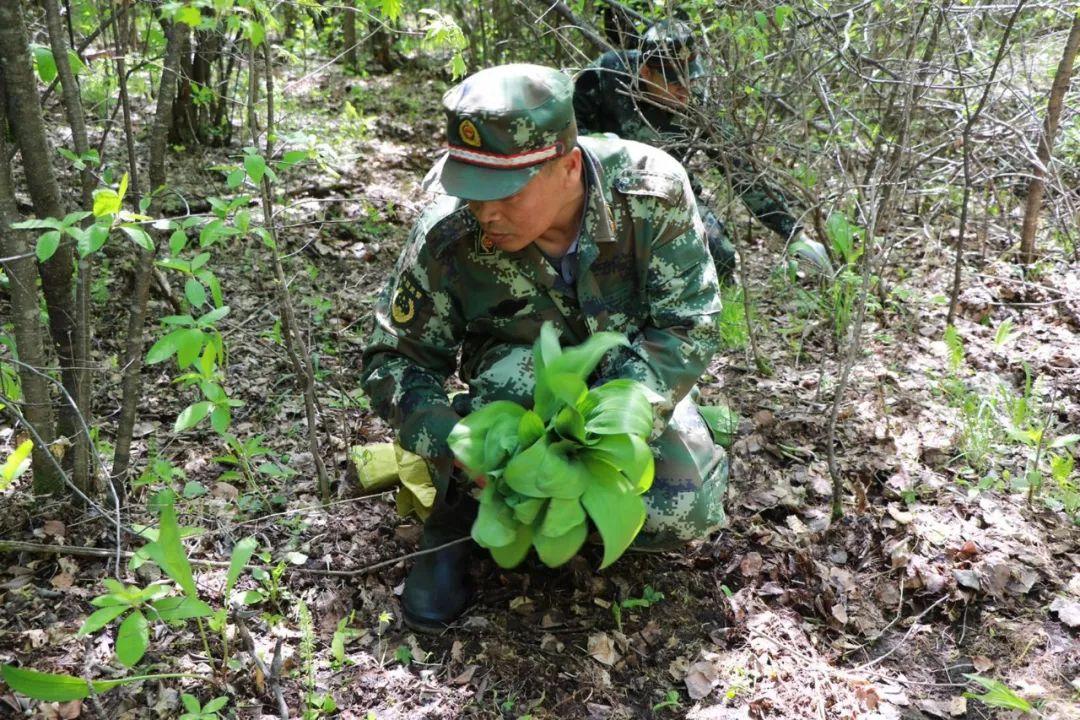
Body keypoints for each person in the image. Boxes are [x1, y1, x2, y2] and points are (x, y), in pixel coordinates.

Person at [360, 64, 729, 632]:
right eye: (472, 188)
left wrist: (619, 418)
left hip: (624, 379)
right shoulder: (449, 231)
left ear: (568, 165)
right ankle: (458, 513)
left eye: (504, 192)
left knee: (684, 507)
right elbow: (395, 360)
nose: (485, 212)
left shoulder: (650, 191)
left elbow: (689, 324)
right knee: (511, 402)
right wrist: (454, 448)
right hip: (511, 386)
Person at [573, 20, 829, 281]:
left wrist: (795, 235)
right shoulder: (606, 74)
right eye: (674, 82)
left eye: (689, 77)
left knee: (719, 257)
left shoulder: (698, 100)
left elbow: (739, 168)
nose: (685, 90)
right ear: (645, 73)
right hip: (603, 190)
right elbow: (568, 134)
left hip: (669, 191)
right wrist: (605, 149)